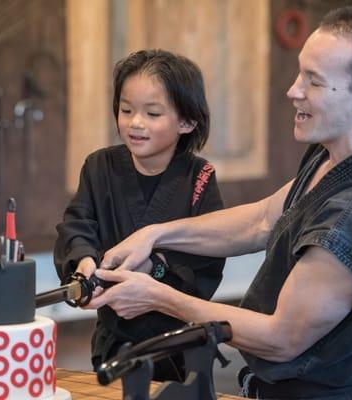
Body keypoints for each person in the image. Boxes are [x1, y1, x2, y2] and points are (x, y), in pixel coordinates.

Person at [89, 5, 352, 399]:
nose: (293, 90)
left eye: (314, 82)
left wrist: (155, 296)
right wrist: (155, 234)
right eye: (301, 72)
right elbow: (264, 219)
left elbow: (280, 338)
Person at [53, 49, 226, 382]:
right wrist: (84, 261)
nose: (135, 123)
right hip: (114, 341)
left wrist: (155, 265)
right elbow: (77, 224)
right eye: (126, 109)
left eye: (152, 113)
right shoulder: (98, 167)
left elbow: (208, 252)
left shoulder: (199, 176)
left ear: (187, 121)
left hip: (178, 342)